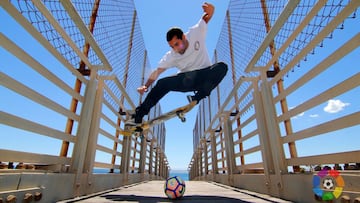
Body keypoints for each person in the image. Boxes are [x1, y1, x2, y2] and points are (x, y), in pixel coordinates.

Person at [127, 2, 228, 125]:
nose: (176, 49)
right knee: (162, 83)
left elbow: (206, 18)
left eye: (177, 44)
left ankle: (198, 97)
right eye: (172, 46)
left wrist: (211, 10)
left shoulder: (195, 32)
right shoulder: (172, 55)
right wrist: (146, 86)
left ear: (184, 37)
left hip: (204, 76)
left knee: (222, 66)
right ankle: (139, 115)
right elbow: (157, 71)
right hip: (186, 80)